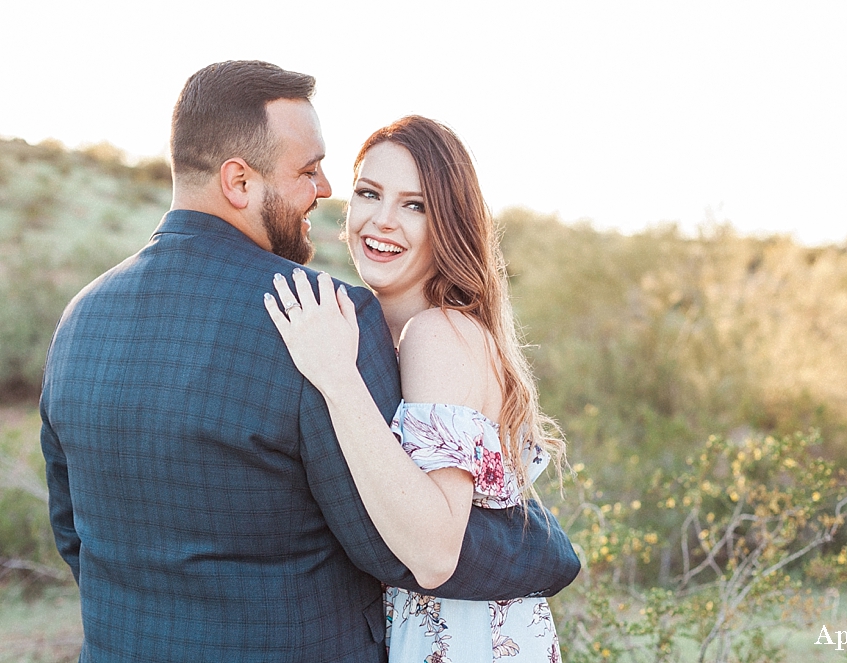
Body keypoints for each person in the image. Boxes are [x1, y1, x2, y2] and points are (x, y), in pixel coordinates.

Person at [39, 61, 579, 663]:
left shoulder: (80, 318)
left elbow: (72, 529)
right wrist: (542, 549)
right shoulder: (318, 316)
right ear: (239, 182)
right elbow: (388, 548)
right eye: (310, 171)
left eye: (414, 204)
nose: (326, 192)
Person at [265, 116, 568, 662]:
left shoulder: (439, 334)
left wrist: (337, 378)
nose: (382, 222)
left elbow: (433, 554)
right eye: (368, 193)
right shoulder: (387, 331)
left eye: (415, 205)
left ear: (448, 223)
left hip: (462, 643)